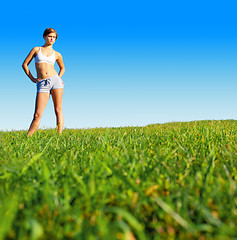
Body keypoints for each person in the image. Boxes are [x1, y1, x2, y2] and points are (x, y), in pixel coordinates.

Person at [22, 28, 65, 136]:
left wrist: (59, 77)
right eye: (50, 36)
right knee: (37, 114)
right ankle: (28, 137)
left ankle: (59, 137)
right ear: (44, 37)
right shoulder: (36, 50)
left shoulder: (57, 54)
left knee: (58, 110)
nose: (52, 39)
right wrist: (32, 78)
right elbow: (25, 65)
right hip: (43, 83)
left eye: (54, 37)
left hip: (56, 82)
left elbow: (62, 68)